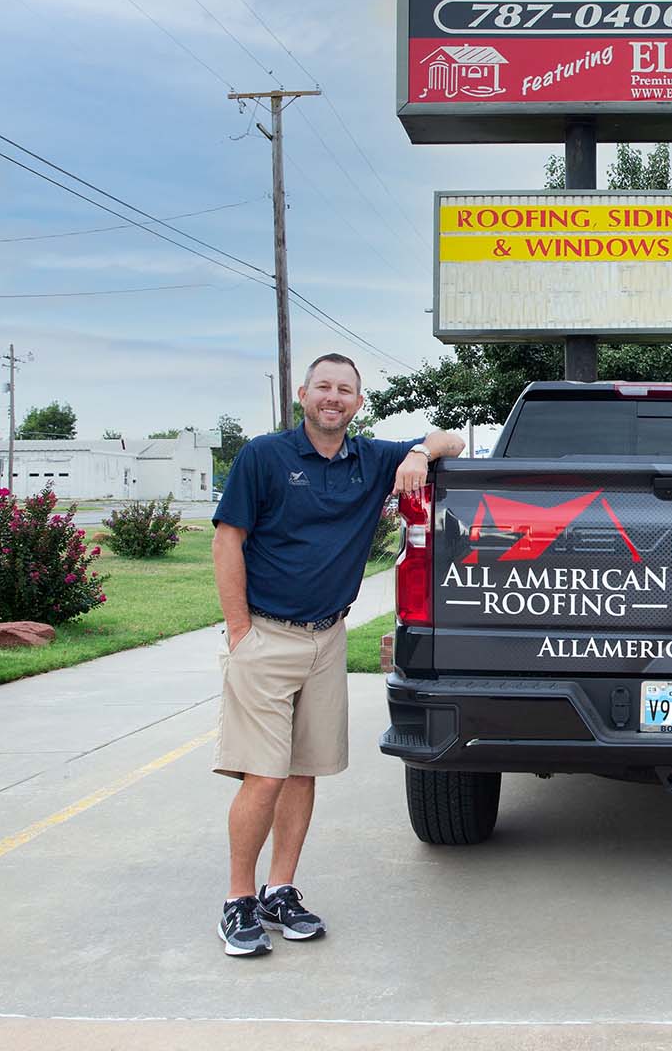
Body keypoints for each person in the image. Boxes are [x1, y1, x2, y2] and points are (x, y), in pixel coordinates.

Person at [210, 352, 463, 956]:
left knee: (304, 774)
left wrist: (419, 454)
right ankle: (238, 901)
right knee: (264, 777)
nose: (334, 397)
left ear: (356, 401)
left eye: (345, 390)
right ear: (303, 395)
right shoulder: (263, 457)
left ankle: (281, 890)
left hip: (328, 640)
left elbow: (451, 436)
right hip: (267, 637)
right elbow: (228, 541)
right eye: (323, 387)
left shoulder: (370, 458)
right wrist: (240, 631)